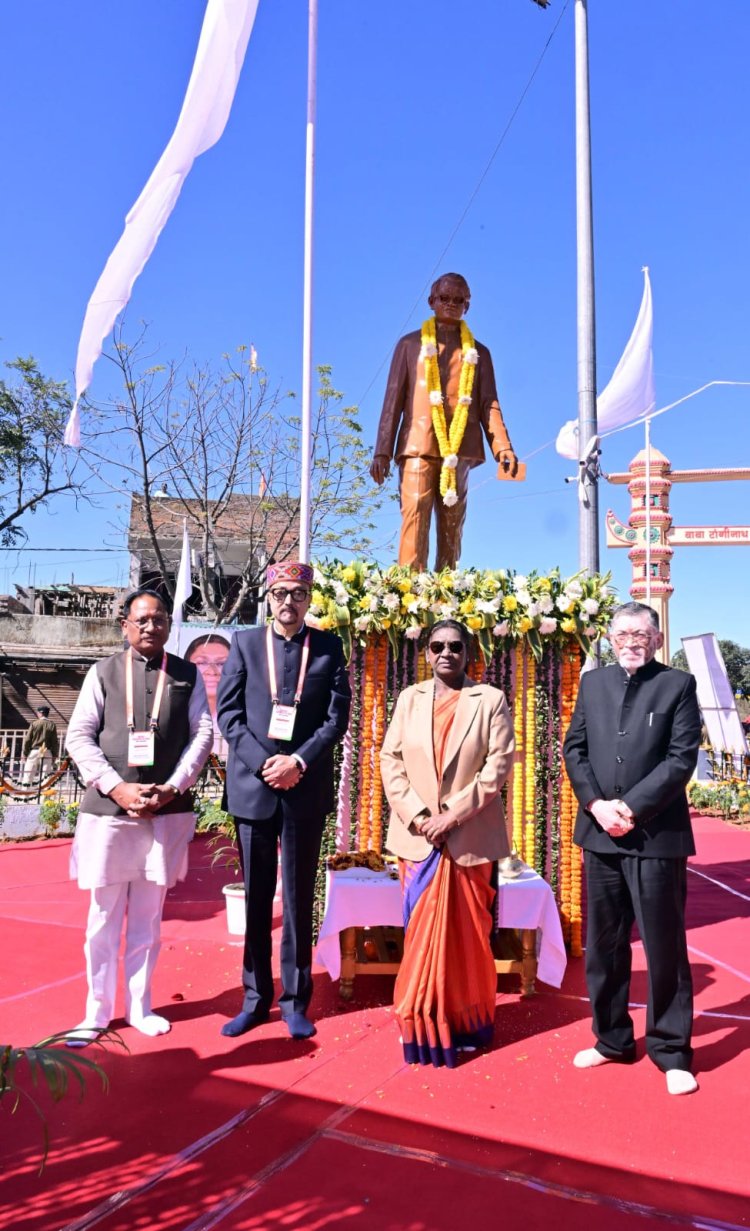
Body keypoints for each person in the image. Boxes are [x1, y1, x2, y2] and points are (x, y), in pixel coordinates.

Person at [563, 601, 702, 1096]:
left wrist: (632, 807)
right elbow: (573, 749)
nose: (631, 641)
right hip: (600, 833)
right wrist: (597, 805)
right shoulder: (593, 683)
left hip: (656, 837)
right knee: (604, 945)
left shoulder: (678, 686)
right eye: (623, 633)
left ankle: (671, 1049)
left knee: (665, 947)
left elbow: (680, 758)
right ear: (611, 637)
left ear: (657, 638)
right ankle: (612, 1039)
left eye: (641, 634)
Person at [65, 589, 213, 1045]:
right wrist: (117, 787)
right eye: (143, 620)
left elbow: (203, 732)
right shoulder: (102, 672)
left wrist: (174, 786)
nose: (152, 627)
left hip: (164, 814)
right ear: (125, 626)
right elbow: (79, 736)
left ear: (170, 626)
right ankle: (95, 1011)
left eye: (160, 620)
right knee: (103, 919)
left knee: (149, 919)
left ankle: (140, 1007)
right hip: (110, 815)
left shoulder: (186, 674)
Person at [216, 561, 351, 1041]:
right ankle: (254, 999)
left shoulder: (329, 647)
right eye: (280, 593)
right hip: (254, 789)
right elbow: (228, 715)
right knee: (256, 898)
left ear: (310, 598)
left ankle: (295, 999)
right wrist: (263, 762)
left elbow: (336, 720)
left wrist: (298, 762)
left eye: (298, 594)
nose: (288, 602)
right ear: (268, 597)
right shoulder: (245, 645)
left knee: (297, 898)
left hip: (303, 788)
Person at [380, 620, 514, 1067]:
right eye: (437, 646)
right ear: (426, 653)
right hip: (418, 840)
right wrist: (420, 816)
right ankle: (420, 1022)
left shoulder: (489, 700)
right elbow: (390, 758)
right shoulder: (409, 699)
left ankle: (467, 1019)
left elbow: (497, 767)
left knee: (470, 937)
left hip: (469, 836)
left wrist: (451, 815)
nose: (445, 653)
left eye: (455, 646)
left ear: (468, 651)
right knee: (420, 933)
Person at [370, 272, 518, 572]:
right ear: (431, 302)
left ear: (468, 306)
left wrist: (503, 448)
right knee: (414, 514)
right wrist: (382, 451)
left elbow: (489, 403)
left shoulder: (479, 353)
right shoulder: (410, 345)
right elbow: (392, 401)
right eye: (445, 298)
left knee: (453, 524)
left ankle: (447, 592)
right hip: (417, 444)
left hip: (460, 448)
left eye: (459, 300)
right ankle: (408, 592)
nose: (451, 304)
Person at [184, 633, 232, 753]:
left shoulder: (243, 717)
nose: (212, 671)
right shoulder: (176, 713)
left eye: (221, 664)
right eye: (201, 663)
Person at [21, 705, 59, 785]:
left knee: (28, 775)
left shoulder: (34, 724)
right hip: (47, 751)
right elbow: (54, 742)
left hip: (34, 751)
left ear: (40, 713)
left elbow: (27, 740)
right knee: (45, 777)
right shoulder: (52, 725)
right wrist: (55, 754)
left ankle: (25, 795)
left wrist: (25, 753)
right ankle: (44, 796)